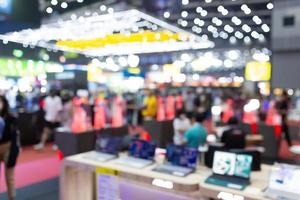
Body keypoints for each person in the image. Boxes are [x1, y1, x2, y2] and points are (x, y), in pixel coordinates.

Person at [0, 96, 18, 200]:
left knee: (9, 177)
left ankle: (12, 197)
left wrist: (14, 152)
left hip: (8, 147)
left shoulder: (10, 118)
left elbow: (15, 136)